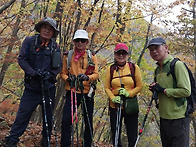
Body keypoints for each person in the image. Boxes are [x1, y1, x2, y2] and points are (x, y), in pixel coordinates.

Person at [4, 17, 62, 147]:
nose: (47, 31)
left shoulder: (55, 46)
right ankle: (12, 140)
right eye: (45, 28)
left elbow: (58, 66)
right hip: (31, 88)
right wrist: (33, 73)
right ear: (40, 28)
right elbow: (22, 59)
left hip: (48, 88)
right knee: (22, 115)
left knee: (48, 116)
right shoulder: (29, 41)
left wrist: (50, 74)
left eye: (50, 29)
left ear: (53, 33)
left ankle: (46, 141)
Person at [148, 37, 191, 147]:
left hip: (179, 118)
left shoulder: (177, 65)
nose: (154, 51)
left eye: (157, 48)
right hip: (164, 117)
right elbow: (162, 90)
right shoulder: (157, 69)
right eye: (151, 49)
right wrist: (156, 90)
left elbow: (186, 91)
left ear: (166, 47)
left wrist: (164, 90)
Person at [60, 29, 99, 147]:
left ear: (87, 42)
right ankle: (65, 144)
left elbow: (96, 74)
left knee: (88, 121)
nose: (80, 43)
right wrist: (68, 79)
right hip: (72, 91)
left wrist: (87, 77)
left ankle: (87, 144)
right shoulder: (68, 56)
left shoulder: (92, 57)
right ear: (74, 42)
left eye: (83, 40)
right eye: (77, 40)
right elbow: (62, 73)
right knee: (66, 120)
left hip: (87, 92)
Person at [104, 43, 143, 147]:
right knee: (115, 133)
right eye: (118, 53)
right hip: (115, 107)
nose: (121, 55)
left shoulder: (134, 68)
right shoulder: (110, 69)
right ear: (115, 54)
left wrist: (129, 93)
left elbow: (139, 86)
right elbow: (107, 87)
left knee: (132, 133)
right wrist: (113, 98)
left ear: (127, 55)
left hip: (130, 106)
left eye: (123, 53)